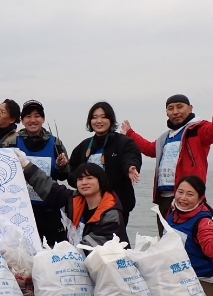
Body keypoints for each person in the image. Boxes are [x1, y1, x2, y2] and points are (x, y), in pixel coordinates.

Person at [121, 79, 213, 234]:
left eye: (180, 107)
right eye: (170, 108)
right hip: (164, 199)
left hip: (187, 197)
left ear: (190, 108)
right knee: (166, 241)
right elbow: (150, 149)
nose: (175, 111)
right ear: (166, 113)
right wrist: (130, 134)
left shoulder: (198, 130)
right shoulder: (166, 137)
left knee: (188, 240)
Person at [17, 152, 128, 249]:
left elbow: (91, 247)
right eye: (80, 179)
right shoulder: (74, 201)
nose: (84, 182)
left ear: (101, 181)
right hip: (77, 259)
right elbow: (49, 188)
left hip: (107, 263)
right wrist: (26, 165)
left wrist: (57, 253)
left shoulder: (111, 214)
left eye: (89, 178)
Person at [69, 102, 142, 231]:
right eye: (94, 117)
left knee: (112, 241)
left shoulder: (123, 142)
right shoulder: (84, 146)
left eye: (103, 117)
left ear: (111, 120)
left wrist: (130, 167)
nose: (99, 121)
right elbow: (73, 170)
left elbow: (131, 157)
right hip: (88, 205)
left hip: (116, 204)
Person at [166, 176, 213, 296]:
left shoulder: (203, 222)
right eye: (180, 192)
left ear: (200, 199)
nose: (183, 198)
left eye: (190, 194)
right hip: (174, 277)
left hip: (200, 279)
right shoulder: (172, 214)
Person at [16, 100, 70, 246]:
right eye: (28, 116)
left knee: (55, 250)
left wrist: (62, 166)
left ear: (43, 119)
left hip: (49, 210)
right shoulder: (12, 141)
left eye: (37, 116)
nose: (33, 120)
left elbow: (64, 176)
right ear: (22, 120)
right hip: (22, 210)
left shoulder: (56, 143)